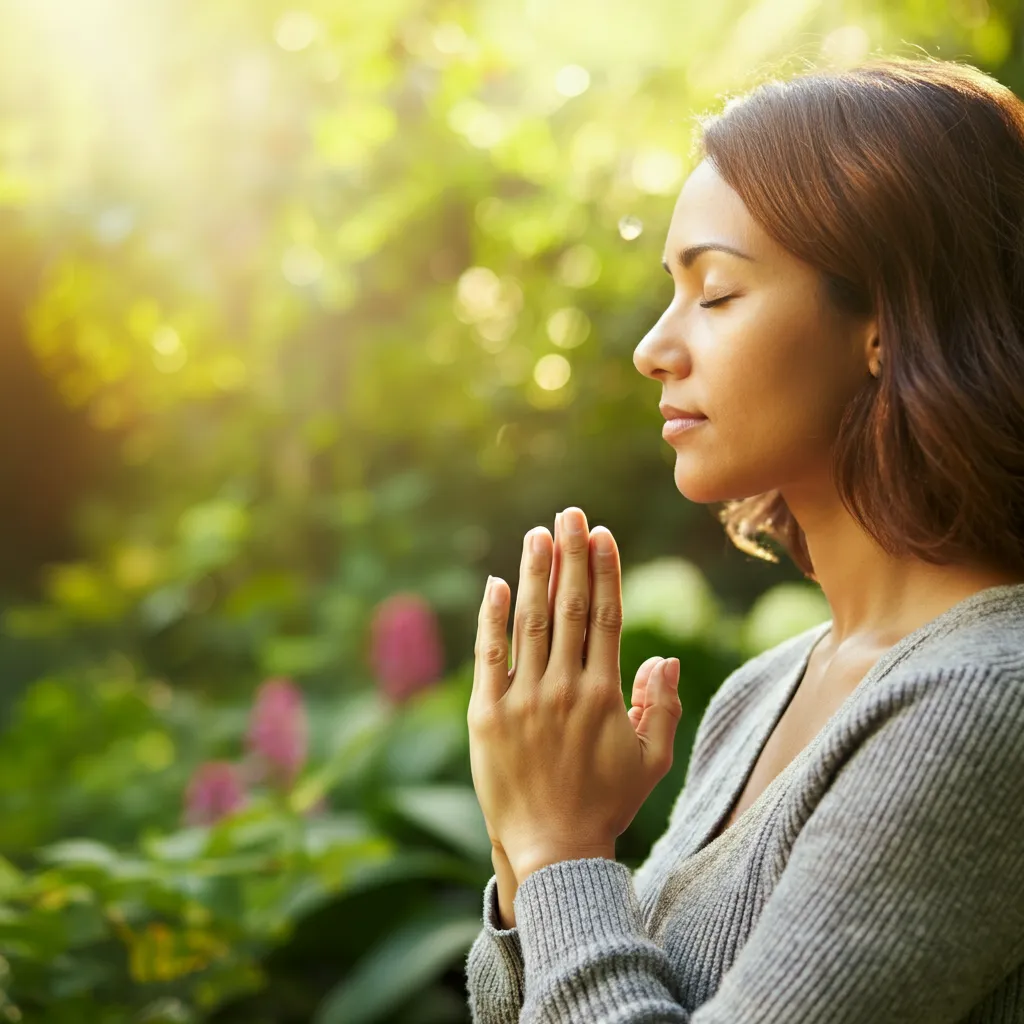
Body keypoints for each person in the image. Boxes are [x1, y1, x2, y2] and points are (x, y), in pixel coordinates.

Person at [463, 54, 1024, 1023]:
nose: (653, 346)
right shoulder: (757, 695)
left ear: (886, 322)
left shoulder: (986, 701)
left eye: (713, 292)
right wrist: (535, 851)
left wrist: (560, 852)